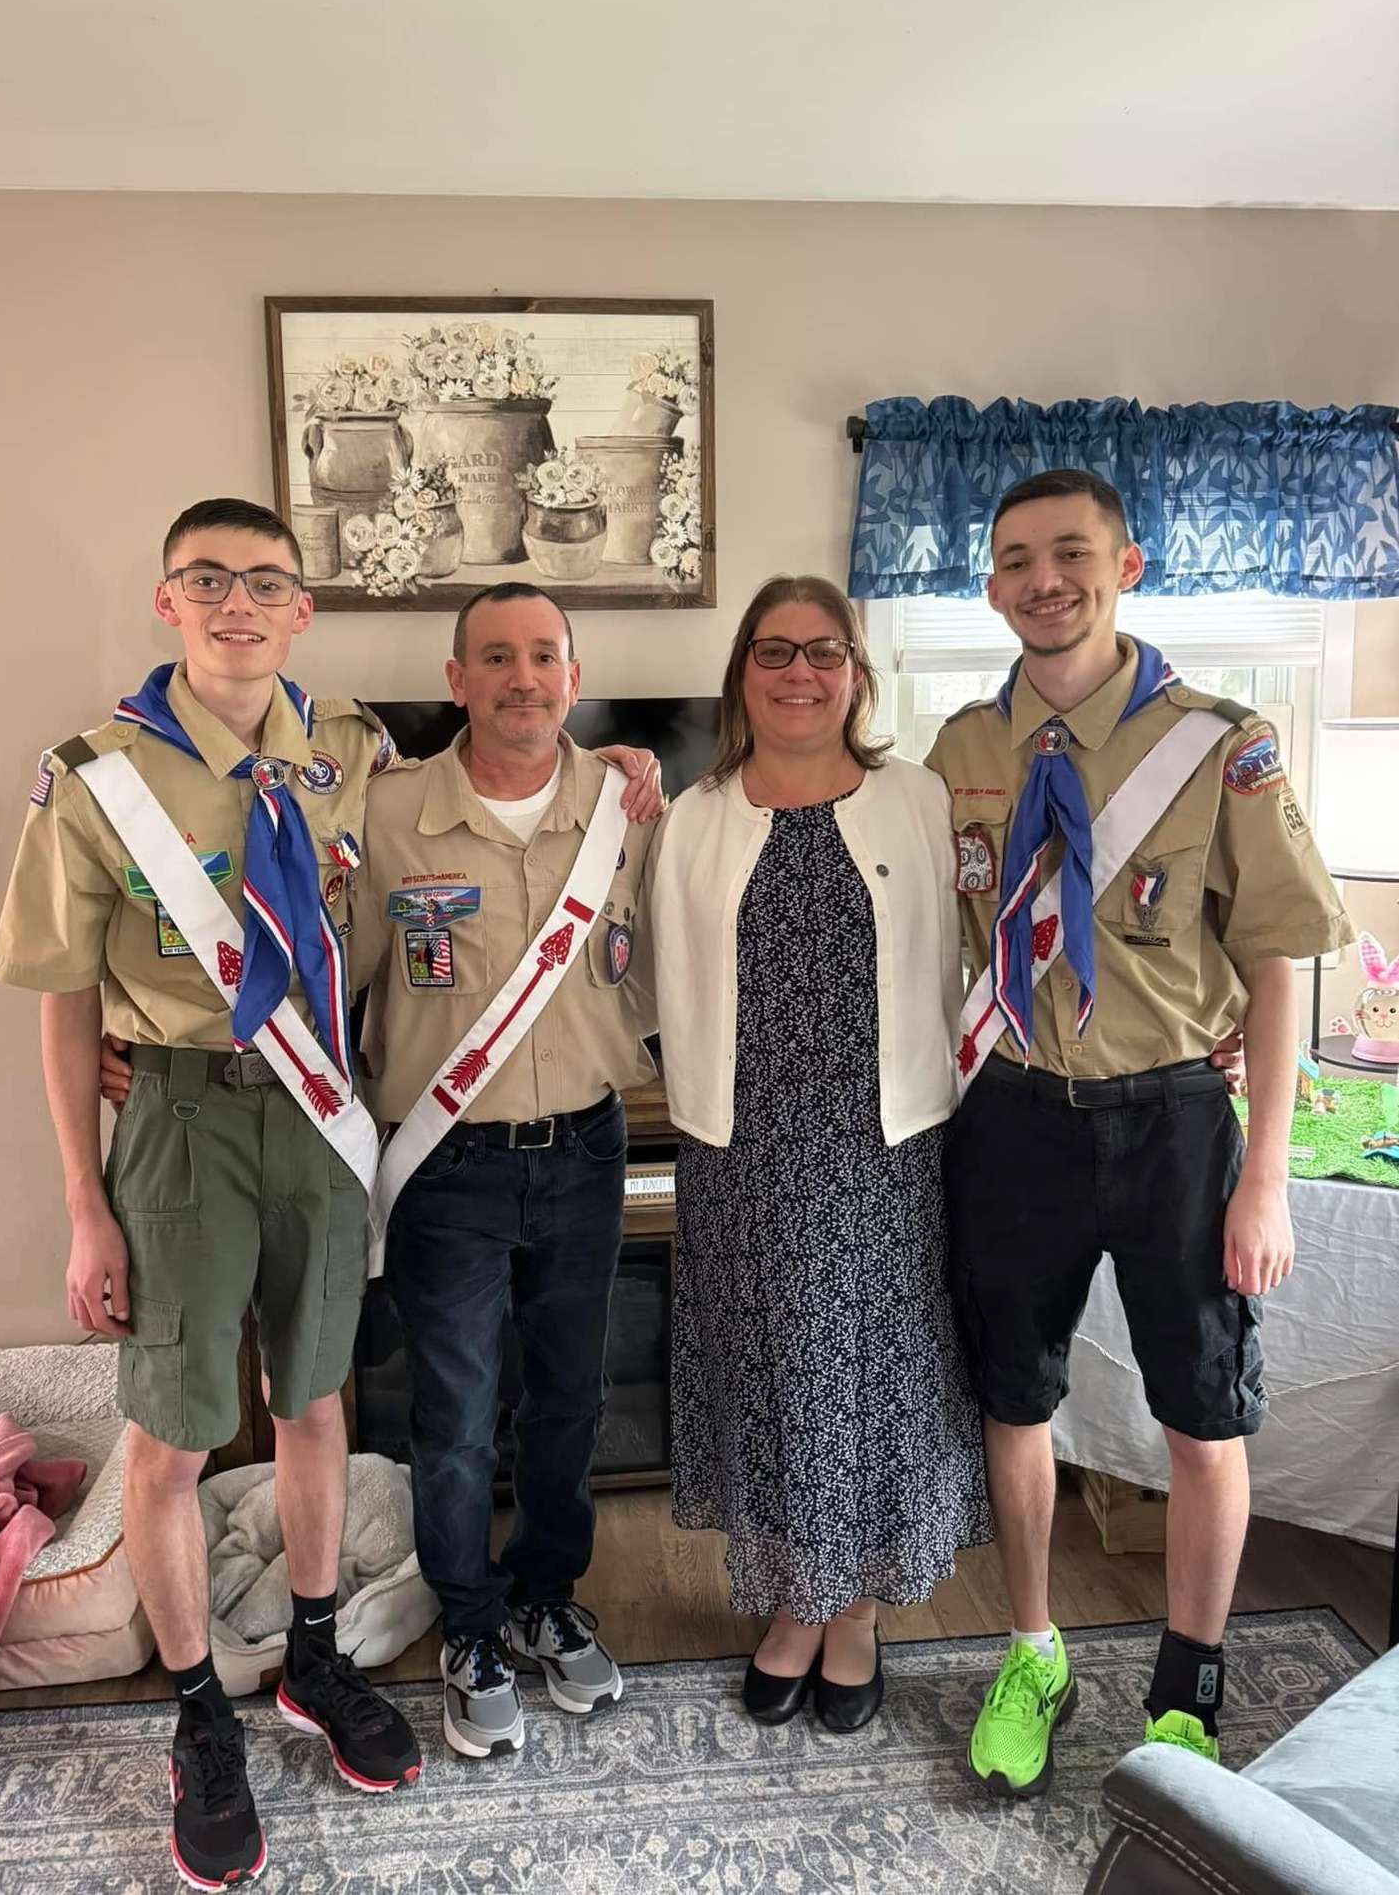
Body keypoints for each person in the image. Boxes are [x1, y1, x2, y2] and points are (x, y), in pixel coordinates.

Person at [0, 498, 421, 1888]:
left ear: (302, 608)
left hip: (315, 1115)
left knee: (311, 1402)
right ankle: (194, 1717)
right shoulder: (97, 774)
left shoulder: (353, 751)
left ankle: (306, 1658)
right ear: (167, 601)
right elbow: (62, 1010)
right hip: (176, 1116)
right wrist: (84, 1204)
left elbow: (450, 875)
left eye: (266, 583)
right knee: (172, 1440)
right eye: (207, 580)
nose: (237, 603)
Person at [928, 468, 1354, 1796]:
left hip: (1174, 1120)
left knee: (1202, 1417)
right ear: (991, 587)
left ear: (1129, 566)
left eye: (1070, 554)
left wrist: (1267, 1177)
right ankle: (1032, 1648)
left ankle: (1186, 1685)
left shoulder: (1223, 741)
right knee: (1014, 1397)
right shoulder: (958, 752)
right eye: (1014, 561)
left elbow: (1281, 956)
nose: (1041, 581)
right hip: (1009, 1117)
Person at [646, 575, 993, 1733]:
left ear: (858, 673)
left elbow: (1004, 932)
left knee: (864, 1372)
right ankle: (797, 1599)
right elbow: (633, 963)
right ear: (742, 671)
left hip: (880, 1139)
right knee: (770, 1374)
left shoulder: (922, 797)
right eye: (775, 650)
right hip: (738, 1140)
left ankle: (853, 1615)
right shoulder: (693, 812)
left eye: (824, 651)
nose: (800, 672)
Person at [346, 584, 661, 1762]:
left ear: (573, 678)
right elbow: (332, 992)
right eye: (497, 657)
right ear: (457, 678)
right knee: (459, 1418)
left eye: (545, 656)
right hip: (447, 1166)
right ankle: (470, 1627)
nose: (524, 677)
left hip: (585, 1148)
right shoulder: (387, 820)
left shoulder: (629, 810)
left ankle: (543, 1596)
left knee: (571, 1401)